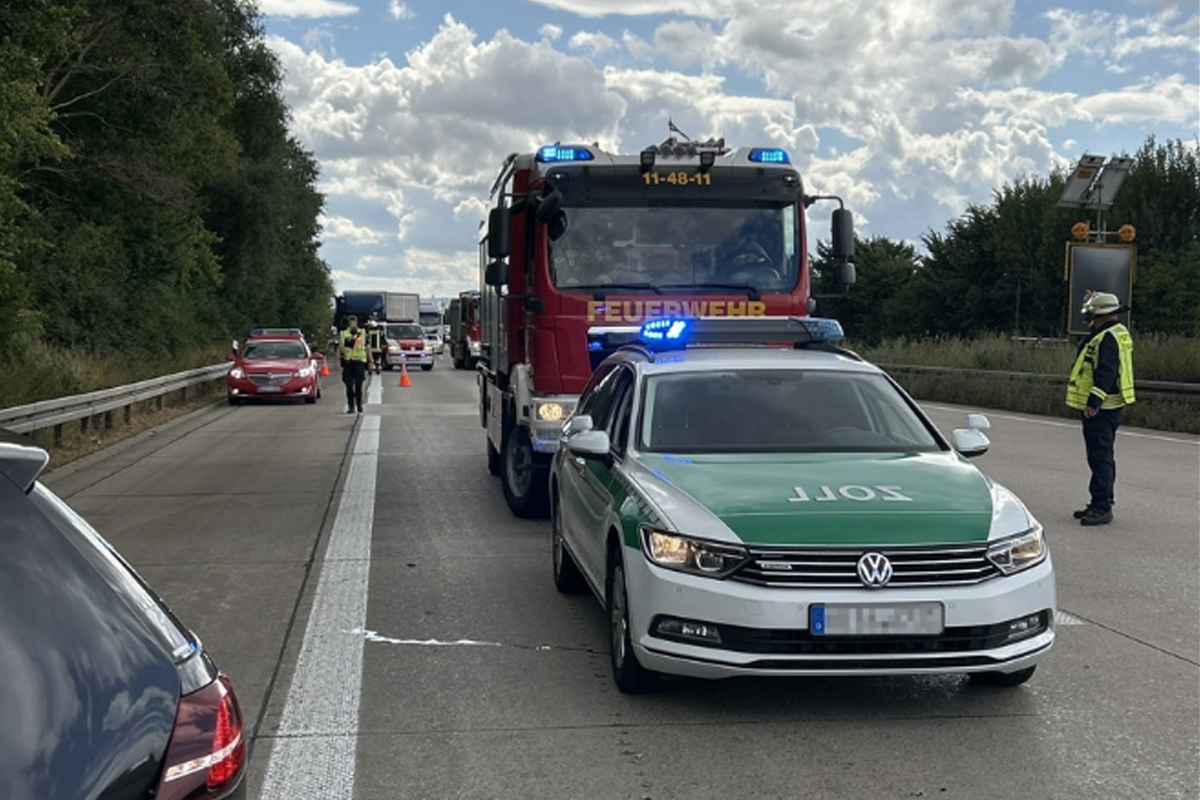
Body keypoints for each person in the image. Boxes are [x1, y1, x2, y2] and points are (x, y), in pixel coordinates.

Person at [1066, 290, 1135, 526]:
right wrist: (1091, 299)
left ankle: (1102, 506)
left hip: (1103, 409)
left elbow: (1106, 372)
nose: (1090, 317)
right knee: (1098, 457)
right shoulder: (1110, 332)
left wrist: (1093, 403)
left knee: (1100, 457)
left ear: (1102, 314)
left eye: (1093, 313)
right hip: (1108, 406)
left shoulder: (1108, 337)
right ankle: (1097, 502)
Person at [338, 315, 369, 414]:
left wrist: (370, 361)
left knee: (359, 385)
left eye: (355, 322)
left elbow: (367, 347)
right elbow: (340, 348)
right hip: (348, 363)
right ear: (349, 324)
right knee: (349, 386)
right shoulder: (344, 334)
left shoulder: (362, 333)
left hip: (359, 362)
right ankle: (351, 406)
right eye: (351, 323)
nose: (353, 324)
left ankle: (359, 405)